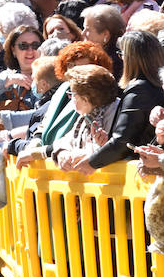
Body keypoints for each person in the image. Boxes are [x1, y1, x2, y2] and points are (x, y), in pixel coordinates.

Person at [59, 31, 164, 172]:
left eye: (122, 55)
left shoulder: (139, 89)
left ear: (131, 58)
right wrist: (105, 141)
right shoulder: (154, 86)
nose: (121, 60)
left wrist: (91, 163)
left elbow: (123, 141)